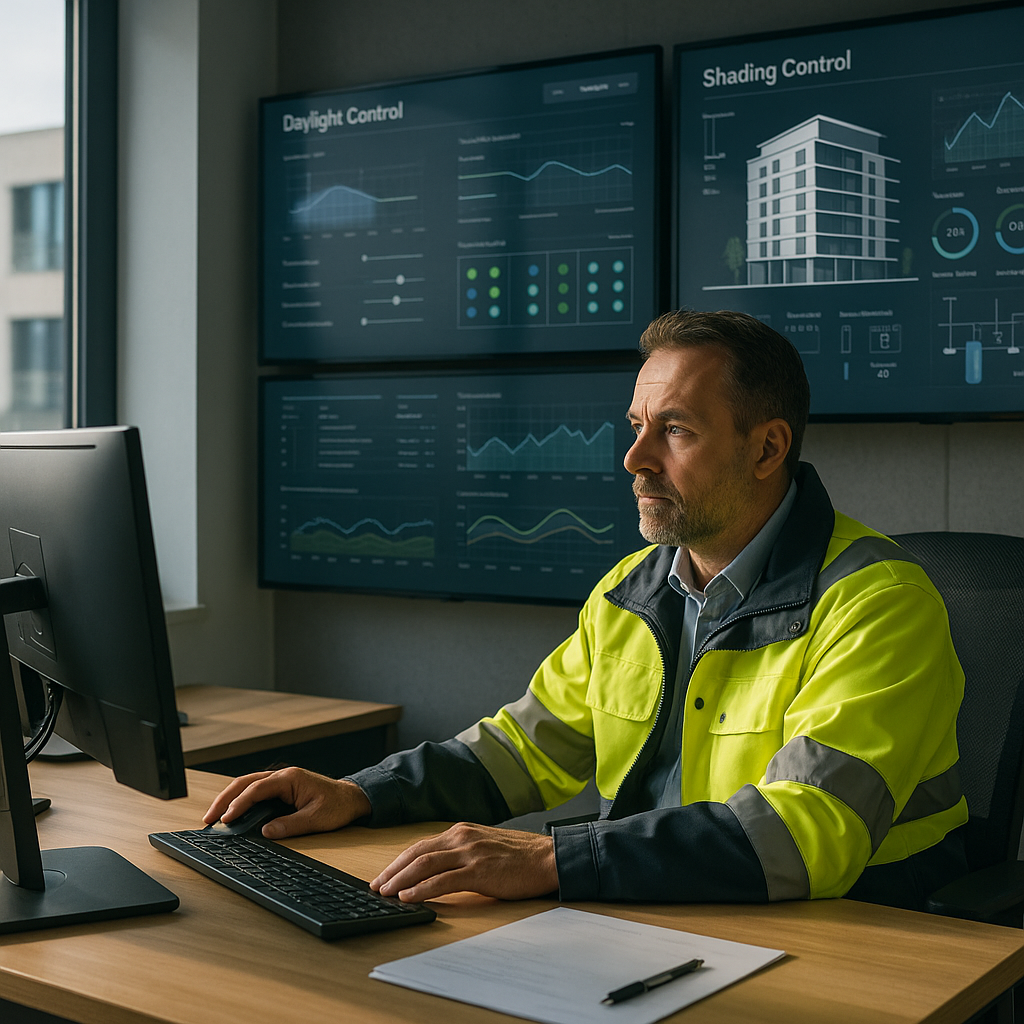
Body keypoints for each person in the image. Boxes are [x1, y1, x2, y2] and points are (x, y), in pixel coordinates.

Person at [206, 309, 968, 910]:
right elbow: (522, 750)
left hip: (847, 931)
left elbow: (807, 835)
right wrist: (359, 792)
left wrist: (556, 857)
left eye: (675, 430)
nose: (635, 459)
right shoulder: (631, 590)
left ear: (767, 449)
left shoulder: (878, 603)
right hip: (659, 905)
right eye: (638, 427)